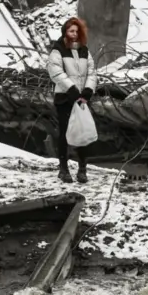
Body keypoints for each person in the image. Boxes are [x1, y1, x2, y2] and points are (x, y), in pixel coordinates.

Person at [46, 17, 95, 183]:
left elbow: (92, 72)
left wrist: (88, 90)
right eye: (71, 31)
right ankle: (64, 168)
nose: (74, 34)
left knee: (83, 133)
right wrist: (72, 89)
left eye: (76, 31)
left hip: (81, 98)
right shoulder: (58, 50)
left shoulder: (84, 51)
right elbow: (56, 72)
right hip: (65, 97)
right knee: (65, 132)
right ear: (65, 32)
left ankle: (82, 169)